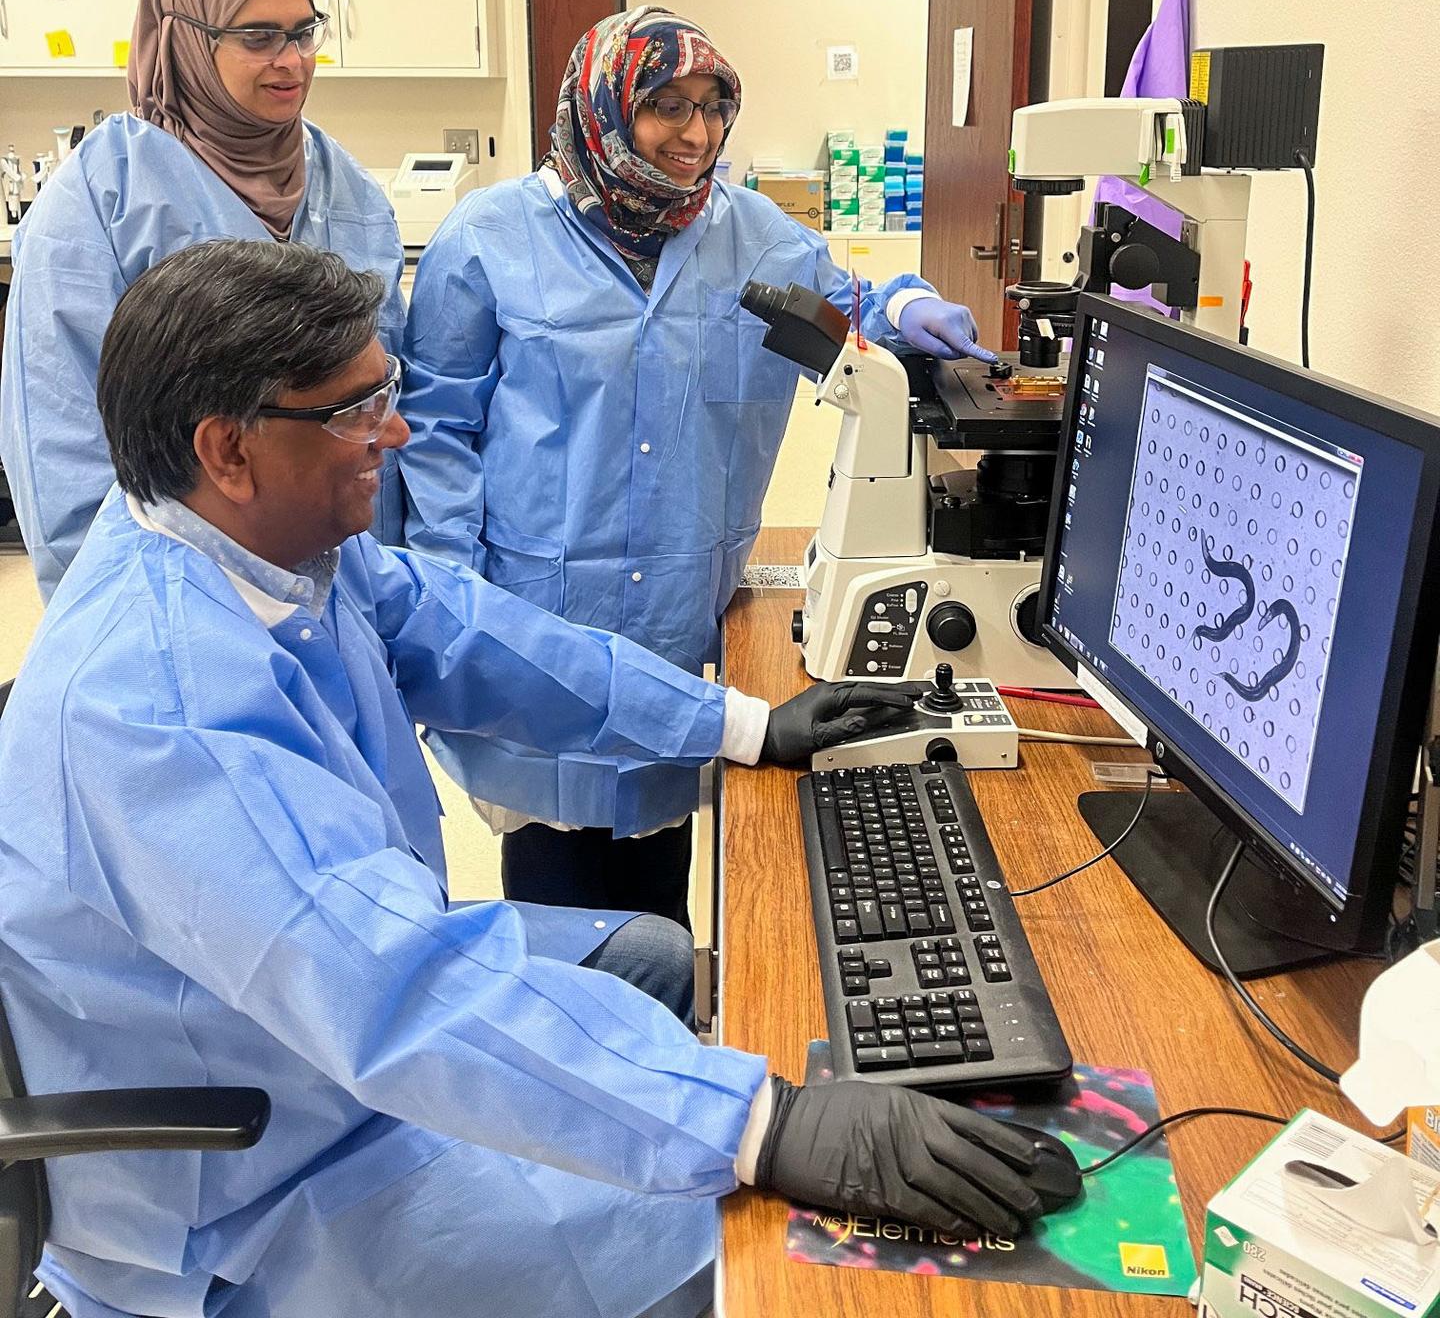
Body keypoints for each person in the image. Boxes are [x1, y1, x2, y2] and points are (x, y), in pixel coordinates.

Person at [0, 239, 1061, 1318]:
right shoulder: (156, 709)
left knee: (647, 956)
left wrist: (742, 723)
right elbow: (391, 984)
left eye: (391, 391)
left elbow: (479, 638)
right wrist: (759, 1123)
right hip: (265, 1179)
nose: (400, 432)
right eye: (356, 411)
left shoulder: (270, 553)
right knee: (759, 1246)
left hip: (318, 1027)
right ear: (228, 450)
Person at [399, 6, 994, 924]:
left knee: (661, 895)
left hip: (677, 612)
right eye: (666, 106)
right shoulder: (485, 239)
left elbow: (846, 309)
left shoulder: (752, 233)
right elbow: (434, 429)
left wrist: (909, 305)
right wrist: (448, 592)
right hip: (534, 616)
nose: (698, 133)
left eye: (715, 106)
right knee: (565, 916)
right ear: (603, 106)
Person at [0, 0, 405, 599]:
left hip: (344, 584)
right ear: (184, 39)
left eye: (303, 33)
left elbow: (383, 408)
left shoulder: (350, 193)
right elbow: (59, 441)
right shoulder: (103, 199)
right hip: (175, 596)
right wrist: (117, 614)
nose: (291, 59)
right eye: (258, 37)